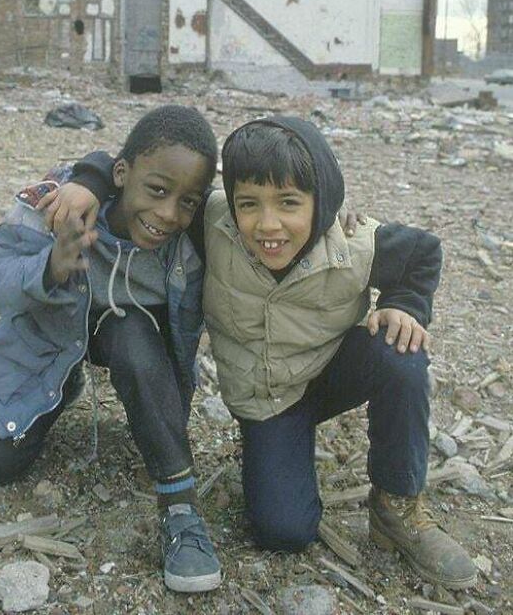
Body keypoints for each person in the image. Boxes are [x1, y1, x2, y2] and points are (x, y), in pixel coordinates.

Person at [53, 115, 477, 592]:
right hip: (270, 402)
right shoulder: (211, 223)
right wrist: (88, 180)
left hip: (335, 372)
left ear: (323, 202)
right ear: (231, 203)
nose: (267, 224)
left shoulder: (355, 243)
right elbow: (143, 174)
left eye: (290, 203)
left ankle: (398, 506)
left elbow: (423, 254)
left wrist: (405, 306)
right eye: (249, 204)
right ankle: (288, 458)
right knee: (285, 531)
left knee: (401, 350)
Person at [0, 104, 222, 594]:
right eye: (156, 191)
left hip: (135, 343)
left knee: (131, 335)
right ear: (121, 175)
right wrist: (49, 268)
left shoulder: (195, 233)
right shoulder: (56, 204)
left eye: (186, 201)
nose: (169, 214)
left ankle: (181, 508)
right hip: (50, 340)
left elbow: (267, 207)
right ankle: (62, 387)